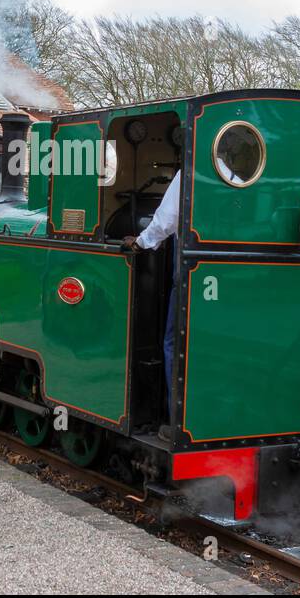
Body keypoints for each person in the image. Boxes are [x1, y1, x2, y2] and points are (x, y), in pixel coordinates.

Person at [121, 170, 181, 440]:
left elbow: (167, 219)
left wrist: (142, 242)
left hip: (190, 275)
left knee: (174, 343)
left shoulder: (196, 166)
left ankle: (175, 419)